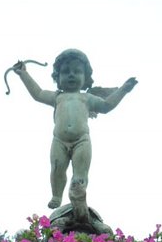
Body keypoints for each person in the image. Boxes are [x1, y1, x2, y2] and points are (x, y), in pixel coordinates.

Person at [13, 49, 137, 217]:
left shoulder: (87, 98)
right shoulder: (57, 97)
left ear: (85, 77)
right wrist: (23, 74)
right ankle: (57, 195)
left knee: (80, 174)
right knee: (57, 168)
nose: (71, 75)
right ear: (58, 77)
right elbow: (38, 93)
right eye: (66, 72)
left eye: (77, 71)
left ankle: (78, 193)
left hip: (81, 140)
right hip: (59, 140)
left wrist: (123, 90)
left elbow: (106, 106)